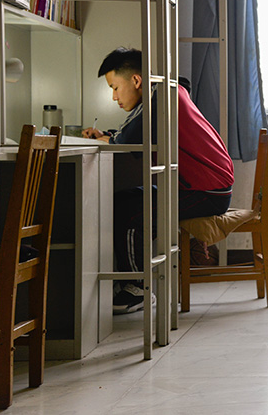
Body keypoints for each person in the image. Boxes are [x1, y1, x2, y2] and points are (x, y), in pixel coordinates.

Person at [84, 47, 234, 314]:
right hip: (202, 186)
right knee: (122, 200)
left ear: (136, 80)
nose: (114, 96)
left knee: (130, 214)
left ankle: (137, 288)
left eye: (115, 87)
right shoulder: (167, 92)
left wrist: (108, 137)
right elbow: (130, 133)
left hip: (206, 191)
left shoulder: (161, 97)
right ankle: (129, 281)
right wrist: (107, 135)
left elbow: (127, 140)